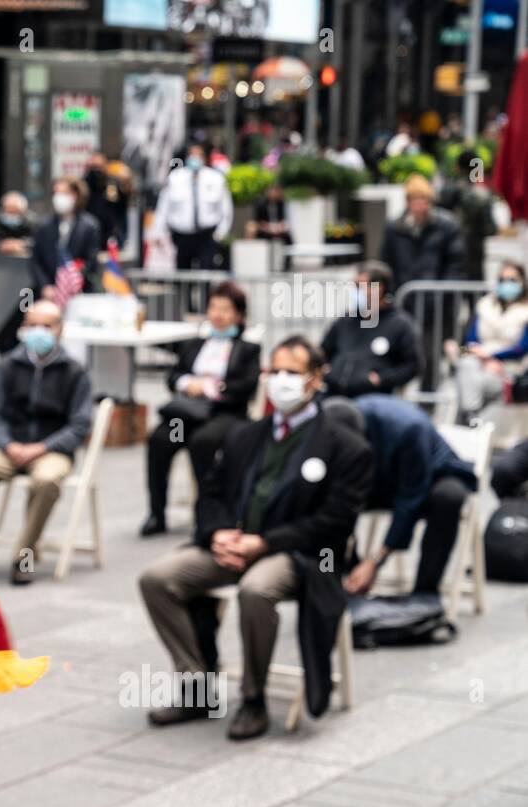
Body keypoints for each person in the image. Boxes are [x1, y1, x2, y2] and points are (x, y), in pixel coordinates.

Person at [138, 336, 373, 740]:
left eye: (293, 373)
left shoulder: (344, 446)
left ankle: (253, 698)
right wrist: (217, 535)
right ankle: (197, 686)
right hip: (234, 544)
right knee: (158, 578)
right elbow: (210, 492)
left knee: (256, 589)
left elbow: (334, 523)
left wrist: (264, 543)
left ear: (316, 379)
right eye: (275, 371)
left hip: (298, 553)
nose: (281, 381)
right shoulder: (246, 435)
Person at [0, 300, 93, 585]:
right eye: (33, 325)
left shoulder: (74, 372)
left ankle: (25, 555)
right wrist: (8, 444)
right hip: (11, 446)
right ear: (23, 328)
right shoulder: (9, 365)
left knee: (46, 481)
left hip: (51, 449)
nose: (39, 332)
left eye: (47, 326)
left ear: (60, 330)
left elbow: (80, 425)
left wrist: (43, 447)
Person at [140, 281, 261, 537]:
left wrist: (210, 387)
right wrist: (188, 383)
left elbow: (245, 386)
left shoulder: (248, 348)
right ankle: (157, 512)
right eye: (214, 307)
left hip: (225, 413)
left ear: (238, 315)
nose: (218, 315)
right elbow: (174, 376)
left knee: (203, 442)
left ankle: (206, 512)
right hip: (189, 413)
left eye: (225, 309)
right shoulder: (195, 343)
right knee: (160, 440)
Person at [337, 394, 476, 598]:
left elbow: (409, 499)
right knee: (328, 509)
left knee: (448, 498)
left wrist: (375, 560)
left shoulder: (407, 427)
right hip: (378, 477)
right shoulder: (328, 430)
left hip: (433, 475)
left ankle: (424, 596)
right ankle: (337, 576)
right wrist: (328, 563)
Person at [380, 175, 465, 389]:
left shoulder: (446, 226)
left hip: (435, 305)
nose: (420, 205)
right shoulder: (394, 227)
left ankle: (428, 402)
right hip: (404, 302)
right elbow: (385, 262)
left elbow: (455, 265)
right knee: (399, 353)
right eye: (416, 200)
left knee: (429, 356)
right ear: (408, 202)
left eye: (425, 200)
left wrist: (441, 295)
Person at [321, 261, 423, 397]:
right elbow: (323, 352)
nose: (354, 291)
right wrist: (325, 370)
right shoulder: (345, 321)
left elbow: (413, 365)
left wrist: (381, 380)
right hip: (334, 394)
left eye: (359, 286)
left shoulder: (400, 325)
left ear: (378, 288)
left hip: (373, 398)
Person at [446, 261, 528, 423]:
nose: (507, 285)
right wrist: (461, 352)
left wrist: (492, 356)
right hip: (477, 363)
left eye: (512, 280)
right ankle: (471, 416)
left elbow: (522, 349)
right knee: (467, 364)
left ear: (522, 281)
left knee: (467, 380)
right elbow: (468, 343)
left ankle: (467, 419)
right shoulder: (484, 305)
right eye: (502, 280)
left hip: (508, 371)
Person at [151, 142, 233, 275]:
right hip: (181, 236)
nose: (195, 158)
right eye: (192, 155)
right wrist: (157, 232)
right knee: (182, 274)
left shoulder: (216, 178)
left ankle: (204, 296)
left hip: (207, 235)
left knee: (205, 274)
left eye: (198, 155)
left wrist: (220, 234)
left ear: (204, 157)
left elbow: (226, 209)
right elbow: (163, 208)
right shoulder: (175, 178)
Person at [30, 177, 105, 307]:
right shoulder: (43, 225)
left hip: (79, 293)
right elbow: (36, 260)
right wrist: (45, 286)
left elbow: (90, 260)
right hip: (48, 295)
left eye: (64, 193)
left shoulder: (90, 226)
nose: (59, 197)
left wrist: (71, 282)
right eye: (56, 193)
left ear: (76, 195)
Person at [438, 149, 498, 282]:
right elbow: (491, 228)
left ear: (457, 167)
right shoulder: (483, 194)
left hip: (449, 248)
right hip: (475, 250)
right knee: (475, 292)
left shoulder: (447, 191)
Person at [84, 152, 125, 244]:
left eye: (100, 166)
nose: (97, 170)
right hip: (89, 231)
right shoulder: (85, 184)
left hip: (110, 232)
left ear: (105, 166)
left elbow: (122, 205)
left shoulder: (112, 183)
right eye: (94, 166)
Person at [0, 191, 36, 257]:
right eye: (9, 211)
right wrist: (1, 244)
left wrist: (22, 244)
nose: (12, 215)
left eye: (15, 212)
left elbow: (36, 240)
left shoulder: (31, 220)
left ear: (24, 210)